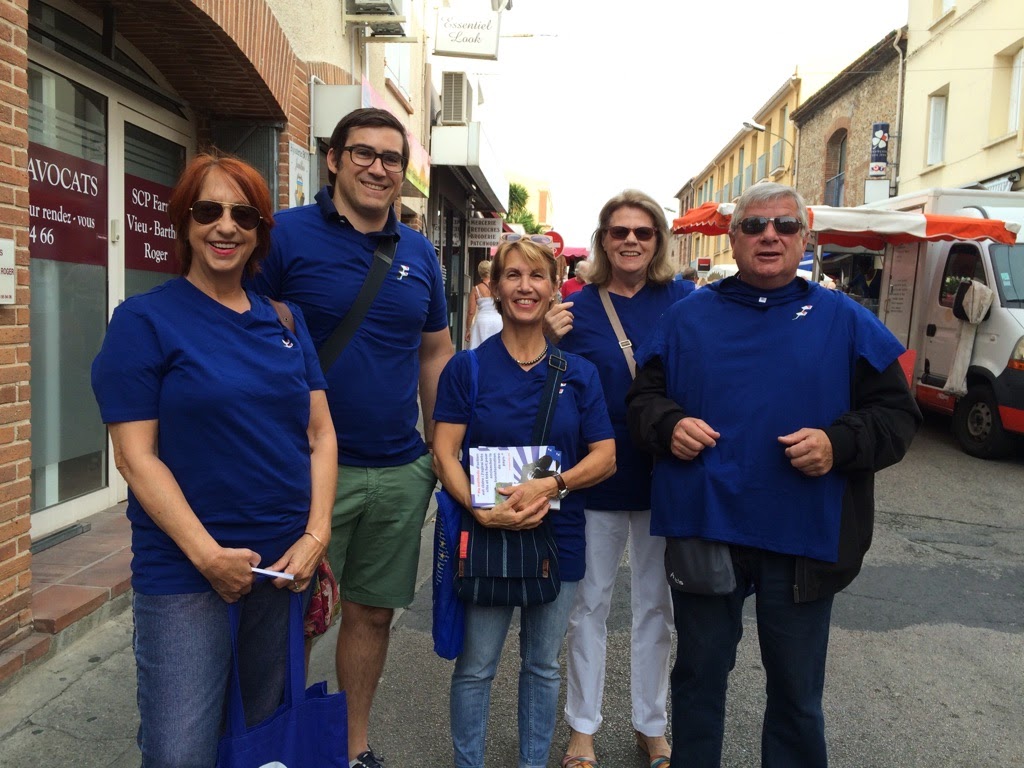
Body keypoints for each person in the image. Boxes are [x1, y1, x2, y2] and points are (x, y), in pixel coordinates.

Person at [626, 182, 922, 767]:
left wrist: (838, 444)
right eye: (756, 225)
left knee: (796, 697)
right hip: (707, 527)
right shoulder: (685, 320)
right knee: (698, 684)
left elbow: (896, 417)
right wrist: (667, 425)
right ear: (732, 237)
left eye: (785, 227)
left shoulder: (845, 321)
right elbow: (641, 403)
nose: (770, 236)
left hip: (804, 536)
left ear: (805, 237)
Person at [91, 154, 337, 766]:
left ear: (259, 231)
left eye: (243, 214)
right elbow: (135, 456)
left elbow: (322, 434)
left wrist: (316, 534)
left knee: (262, 741)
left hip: (281, 568)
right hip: (185, 572)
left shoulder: (285, 318)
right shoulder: (144, 321)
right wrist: (208, 556)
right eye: (208, 211)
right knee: (181, 750)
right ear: (184, 222)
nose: (225, 227)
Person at [248, 107, 453, 768]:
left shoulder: (419, 252)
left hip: (397, 472)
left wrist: (435, 452)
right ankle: (278, 743)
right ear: (332, 159)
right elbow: (241, 335)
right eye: (362, 153)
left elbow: (434, 353)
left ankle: (350, 746)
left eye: (391, 158)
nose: (377, 167)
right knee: (289, 616)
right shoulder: (284, 238)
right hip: (304, 469)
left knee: (371, 615)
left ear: (402, 173)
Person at [433, 236, 617, 768]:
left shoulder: (578, 374)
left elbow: (605, 456)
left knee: (541, 665)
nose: (525, 287)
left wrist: (553, 486)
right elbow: (444, 454)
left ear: (555, 287)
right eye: (513, 275)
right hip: (486, 532)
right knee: (476, 666)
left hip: (557, 539)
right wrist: (476, 507)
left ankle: (533, 762)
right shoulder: (466, 369)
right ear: (493, 286)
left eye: (537, 276)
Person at [546, 190, 685, 768]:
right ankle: (583, 727)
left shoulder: (684, 302)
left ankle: (651, 725)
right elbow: (542, 379)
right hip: (595, 476)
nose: (631, 240)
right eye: (619, 231)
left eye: (643, 232)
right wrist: (548, 339)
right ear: (603, 239)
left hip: (665, 477)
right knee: (589, 607)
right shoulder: (573, 308)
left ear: (658, 241)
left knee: (657, 609)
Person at [466, 259, 503, 348]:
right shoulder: (498, 287)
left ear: (480, 272)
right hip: (498, 321)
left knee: (479, 349)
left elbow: (471, 312)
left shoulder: (476, 289)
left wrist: (468, 329)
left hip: (482, 322)